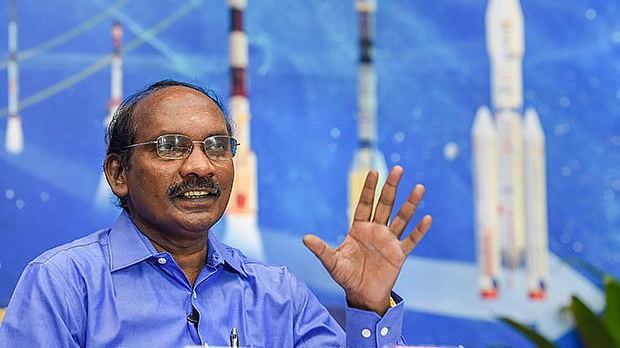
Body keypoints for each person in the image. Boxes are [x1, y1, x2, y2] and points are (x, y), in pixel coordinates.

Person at [0, 79, 432, 347]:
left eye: (217, 147)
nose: (200, 166)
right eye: (170, 147)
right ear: (118, 174)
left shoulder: (276, 294)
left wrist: (368, 304)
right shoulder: (64, 284)